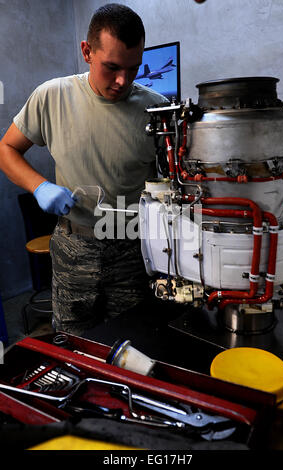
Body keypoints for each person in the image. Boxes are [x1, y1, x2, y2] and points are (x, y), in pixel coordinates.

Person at [0, 4, 168, 335]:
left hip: (132, 249)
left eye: (134, 69)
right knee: (72, 343)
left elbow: (170, 183)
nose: (123, 81)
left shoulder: (157, 110)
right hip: (73, 246)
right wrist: (39, 186)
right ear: (86, 51)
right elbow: (6, 149)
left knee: (130, 344)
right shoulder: (52, 96)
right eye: (112, 67)